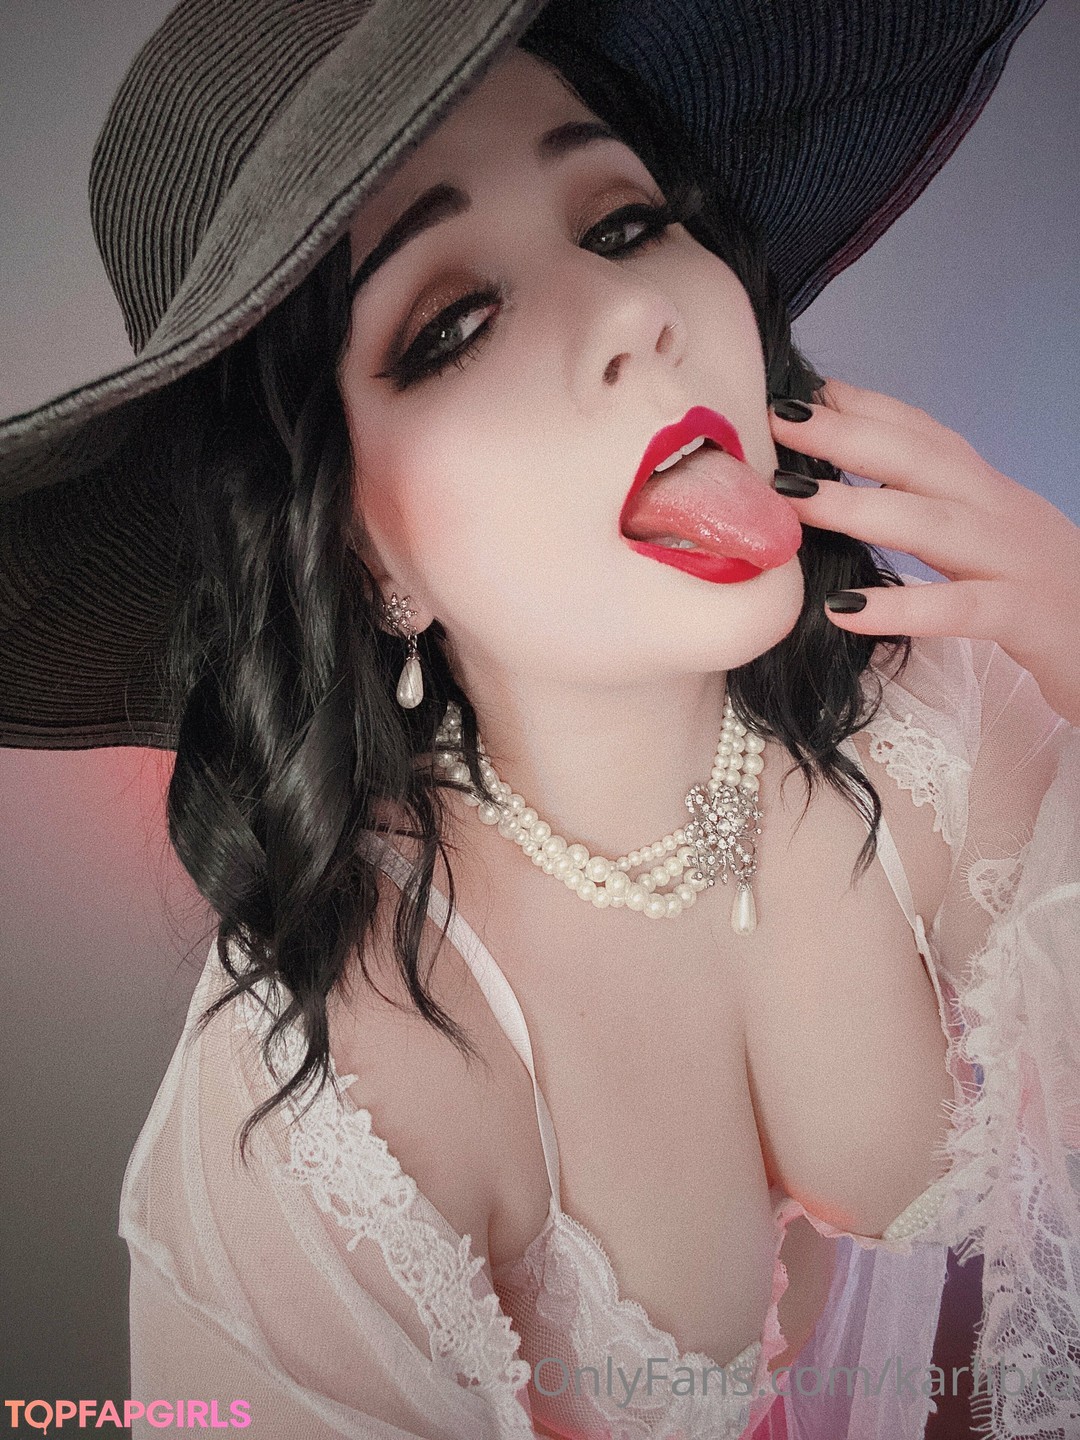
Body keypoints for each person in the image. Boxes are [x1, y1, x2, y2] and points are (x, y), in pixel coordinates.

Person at [1, 2, 1077, 1437]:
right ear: (354, 550)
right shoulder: (340, 1099)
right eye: (455, 325)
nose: (633, 314)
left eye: (626, 223)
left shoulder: (936, 724)